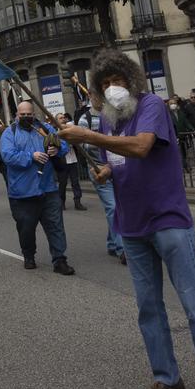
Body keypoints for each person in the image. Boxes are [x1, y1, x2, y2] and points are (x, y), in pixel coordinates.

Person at [59, 49, 195, 389]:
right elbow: (122, 159)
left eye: (117, 80)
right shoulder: (109, 118)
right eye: (105, 83)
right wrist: (106, 169)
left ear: (132, 79)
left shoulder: (151, 105)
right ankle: (168, 378)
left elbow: (141, 147)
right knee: (148, 310)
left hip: (168, 220)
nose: (112, 88)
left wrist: (89, 137)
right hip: (133, 225)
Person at [0, 102, 76, 275]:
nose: (26, 117)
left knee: (55, 225)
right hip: (22, 192)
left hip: (48, 189)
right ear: (17, 114)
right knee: (26, 228)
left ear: (34, 113)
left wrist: (57, 149)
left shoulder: (45, 128)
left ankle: (59, 260)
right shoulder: (9, 133)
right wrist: (30, 156)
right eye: (22, 114)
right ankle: (29, 255)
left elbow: (63, 143)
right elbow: (8, 155)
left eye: (29, 114)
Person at [76, 99, 126, 265]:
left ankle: (112, 243)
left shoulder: (112, 115)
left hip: (115, 167)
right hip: (97, 168)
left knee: (117, 206)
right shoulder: (85, 118)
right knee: (113, 207)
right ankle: (122, 249)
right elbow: (83, 144)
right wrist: (101, 140)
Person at [55, 113, 87, 211]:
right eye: (60, 118)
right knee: (63, 183)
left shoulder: (71, 131)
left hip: (72, 160)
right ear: (57, 121)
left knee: (75, 182)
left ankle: (77, 202)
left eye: (64, 117)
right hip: (62, 162)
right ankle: (61, 202)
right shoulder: (55, 134)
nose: (63, 119)